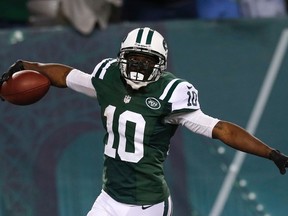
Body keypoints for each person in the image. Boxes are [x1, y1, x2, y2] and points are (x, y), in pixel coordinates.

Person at [1, 27, 288, 216]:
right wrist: (30, 66)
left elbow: (221, 128)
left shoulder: (172, 93)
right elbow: (66, 76)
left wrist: (270, 153)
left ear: (160, 64)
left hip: (147, 204)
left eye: (146, 60)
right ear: (121, 58)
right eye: (133, 59)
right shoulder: (107, 76)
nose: (138, 66)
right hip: (109, 198)